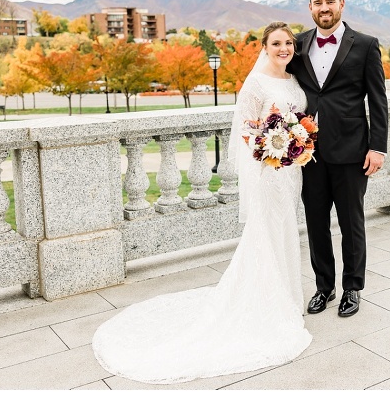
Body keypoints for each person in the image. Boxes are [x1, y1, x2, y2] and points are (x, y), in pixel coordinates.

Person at [92, 22, 312, 384]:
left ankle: (287, 297)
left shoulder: (293, 81)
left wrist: (295, 143)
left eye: (289, 43)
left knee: (286, 229)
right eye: (277, 43)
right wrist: (273, 148)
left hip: (290, 171)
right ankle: (268, 304)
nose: (284, 48)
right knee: (266, 232)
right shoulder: (256, 83)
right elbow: (245, 129)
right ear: (265, 47)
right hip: (267, 172)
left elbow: (298, 120)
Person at [287, 0, 388, 318]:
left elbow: (378, 101)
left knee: (351, 223)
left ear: (342, 4)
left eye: (330, 2)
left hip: (352, 152)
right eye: (318, 3)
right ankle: (324, 287)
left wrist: (378, 147)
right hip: (308, 153)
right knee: (315, 224)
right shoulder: (296, 46)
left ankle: (353, 288)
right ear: (310, 8)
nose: (324, 8)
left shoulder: (366, 45)